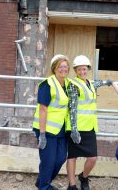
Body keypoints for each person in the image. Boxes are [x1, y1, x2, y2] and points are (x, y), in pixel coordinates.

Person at [66, 55, 109, 190]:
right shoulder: (73, 85)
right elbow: (72, 108)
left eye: (84, 69)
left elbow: (97, 83)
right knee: (72, 156)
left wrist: (108, 82)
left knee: (93, 158)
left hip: (89, 126)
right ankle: (72, 185)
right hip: (76, 127)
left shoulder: (90, 83)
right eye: (79, 70)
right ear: (75, 71)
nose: (82, 72)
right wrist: (74, 129)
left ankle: (83, 177)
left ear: (88, 69)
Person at [32, 54, 71, 190]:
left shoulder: (67, 84)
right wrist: (42, 134)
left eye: (65, 66)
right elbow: (43, 109)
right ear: (54, 68)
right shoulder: (47, 84)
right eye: (60, 66)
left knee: (60, 158)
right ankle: (44, 186)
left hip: (60, 129)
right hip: (46, 129)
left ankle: (42, 180)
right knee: (48, 160)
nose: (63, 69)